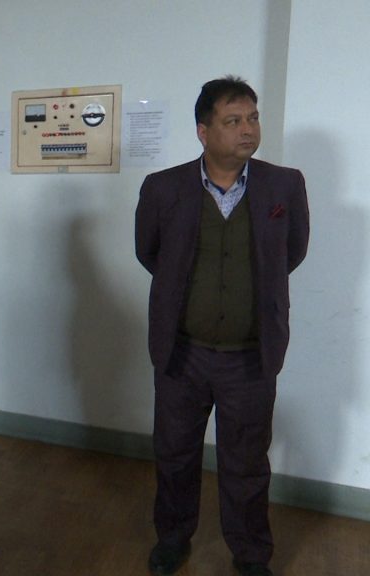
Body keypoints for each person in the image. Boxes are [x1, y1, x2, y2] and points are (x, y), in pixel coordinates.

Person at [135, 76, 309, 576]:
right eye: (233, 121)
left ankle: (251, 554)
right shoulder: (163, 188)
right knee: (175, 456)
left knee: (247, 465)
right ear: (203, 131)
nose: (247, 129)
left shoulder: (284, 185)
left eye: (252, 118)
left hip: (250, 357)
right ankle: (173, 539)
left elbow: (291, 253)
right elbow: (150, 253)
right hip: (182, 353)